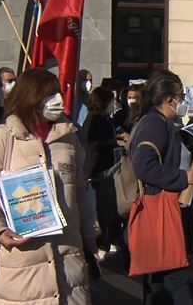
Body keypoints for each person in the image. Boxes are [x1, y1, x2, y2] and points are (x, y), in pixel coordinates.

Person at [0, 68, 99, 304]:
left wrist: (90, 234)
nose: (56, 101)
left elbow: (80, 191)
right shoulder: (1, 138)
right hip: (21, 265)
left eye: (57, 93)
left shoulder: (68, 138)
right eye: (49, 95)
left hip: (69, 262)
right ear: (31, 97)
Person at [130, 70, 193, 304]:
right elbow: (144, 166)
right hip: (159, 207)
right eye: (181, 96)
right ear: (170, 99)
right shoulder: (154, 123)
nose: (183, 101)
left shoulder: (158, 121)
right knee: (175, 279)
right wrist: (183, 178)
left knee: (158, 279)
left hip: (158, 206)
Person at [78, 87, 120, 259]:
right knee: (100, 211)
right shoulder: (98, 120)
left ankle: (104, 242)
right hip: (99, 173)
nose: (114, 105)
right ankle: (100, 244)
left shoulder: (96, 118)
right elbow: (95, 149)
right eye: (112, 101)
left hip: (96, 172)